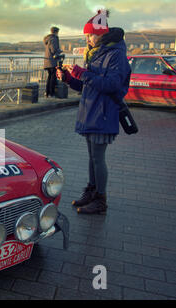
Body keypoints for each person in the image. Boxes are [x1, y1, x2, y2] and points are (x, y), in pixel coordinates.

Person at [56, 10, 131, 215]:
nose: (87, 39)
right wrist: (69, 79)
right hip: (91, 112)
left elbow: (112, 85)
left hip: (103, 113)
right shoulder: (96, 53)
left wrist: (83, 73)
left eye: (90, 35)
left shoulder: (116, 55)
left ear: (100, 34)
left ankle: (100, 199)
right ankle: (91, 192)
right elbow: (87, 86)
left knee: (98, 158)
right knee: (92, 157)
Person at [43, 26, 62, 98]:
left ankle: (47, 92)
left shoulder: (48, 39)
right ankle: (51, 93)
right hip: (52, 61)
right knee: (53, 77)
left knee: (49, 77)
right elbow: (53, 50)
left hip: (47, 60)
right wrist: (59, 51)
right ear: (56, 32)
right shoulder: (54, 39)